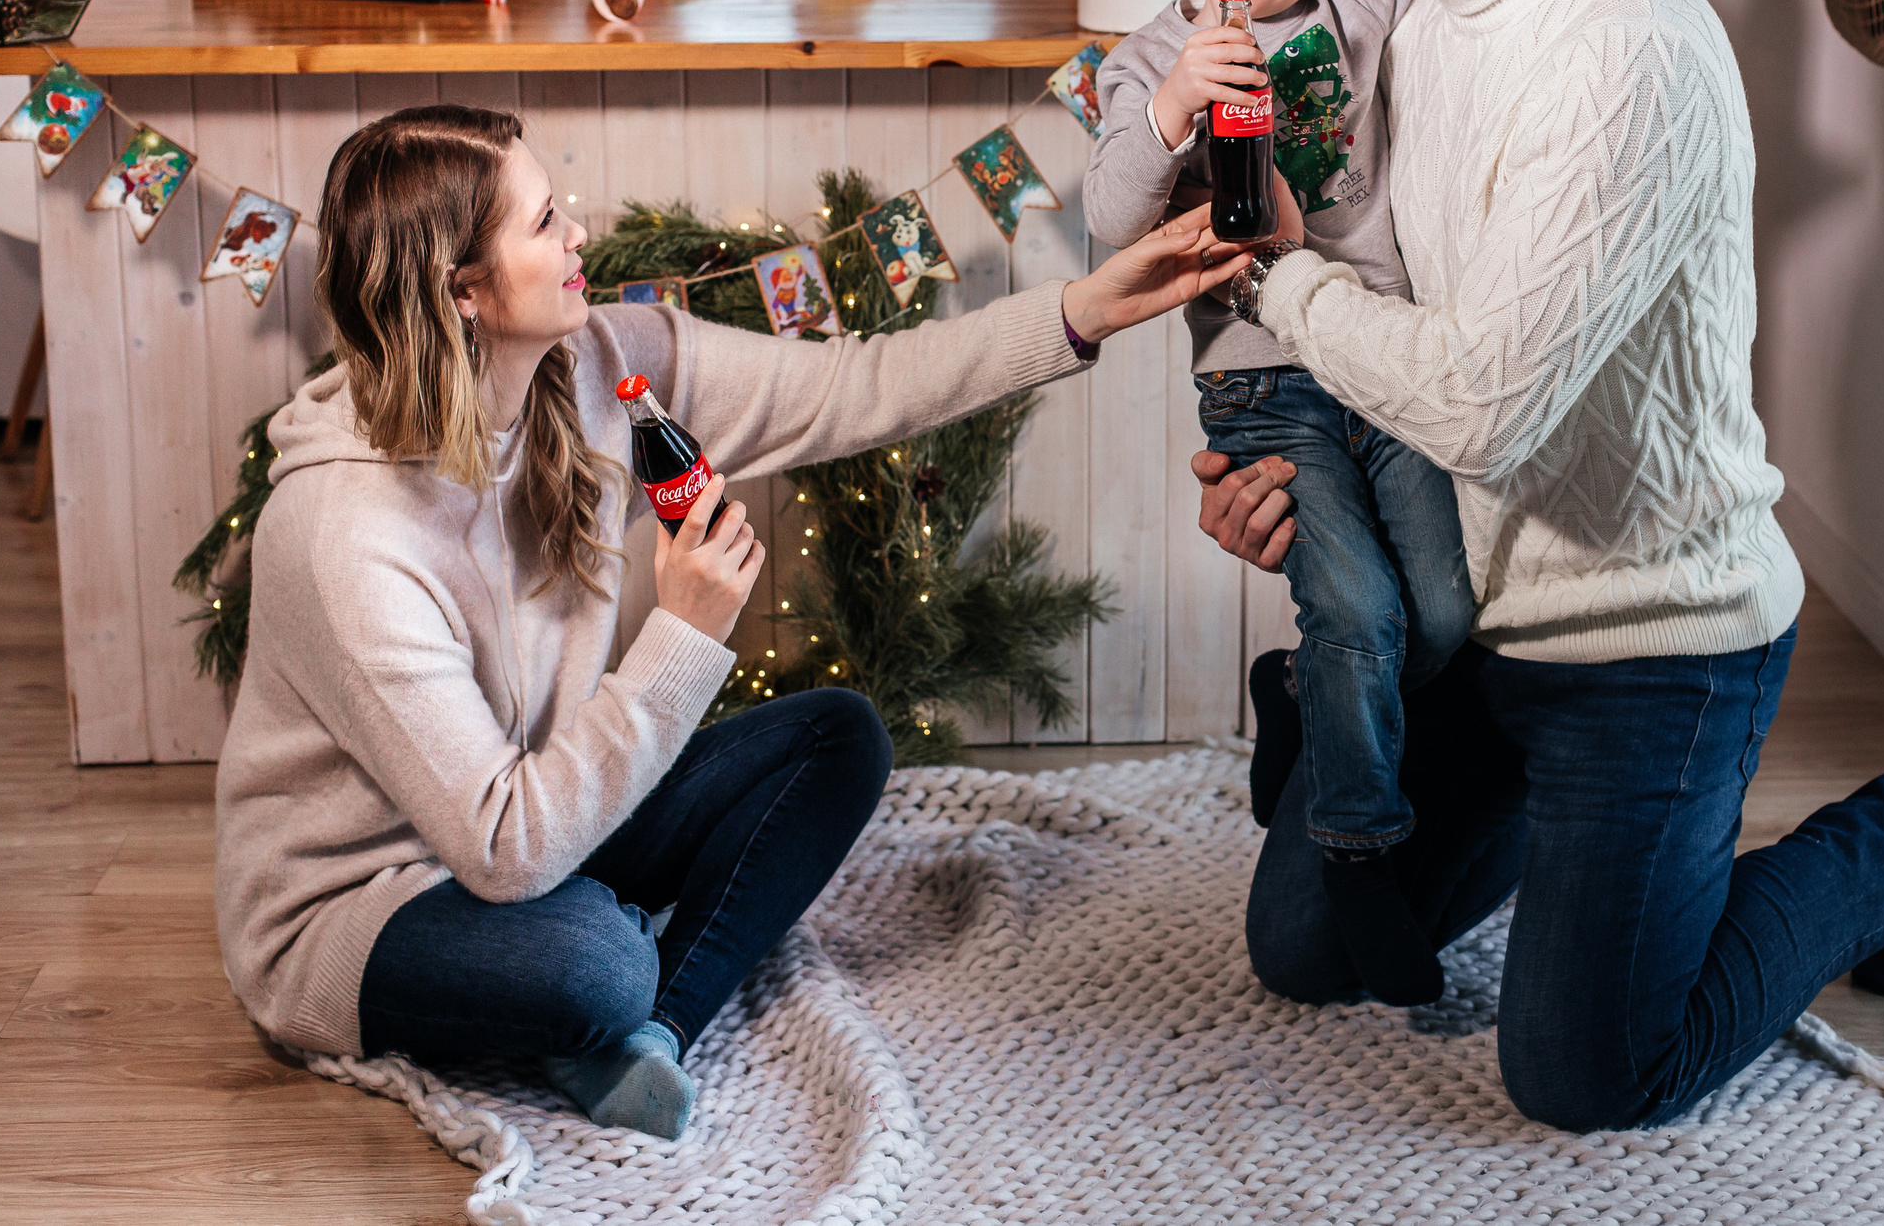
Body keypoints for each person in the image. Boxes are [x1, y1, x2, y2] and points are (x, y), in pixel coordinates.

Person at [1194, 0, 1884, 1134]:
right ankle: (1555, 843)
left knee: (1591, 1071)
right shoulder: (1419, 0)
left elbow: (1485, 403)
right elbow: (1405, 324)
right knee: (1307, 948)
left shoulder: (1616, 50)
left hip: (1650, 636)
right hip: (1486, 613)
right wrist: (1297, 485)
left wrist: (1274, 285)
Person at [214, 104, 1247, 1140]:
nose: (578, 236)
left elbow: (856, 387)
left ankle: (644, 1040)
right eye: (542, 224)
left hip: (541, 818)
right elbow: (504, 852)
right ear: (465, 292)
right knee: (592, 960)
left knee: (836, 738)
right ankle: (614, 996)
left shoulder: (610, 364)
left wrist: (1085, 311)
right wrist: (687, 632)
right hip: (370, 906)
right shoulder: (342, 532)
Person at [1082, 0, 1593, 1007]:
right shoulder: (1153, 55)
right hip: (1268, 387)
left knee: (1432, 608)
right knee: (1358, 615)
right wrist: (1167, 116)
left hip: (1388, 365)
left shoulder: (1364, 8)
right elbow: (1103, 221)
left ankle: (1309, 701)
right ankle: (1362, 846)